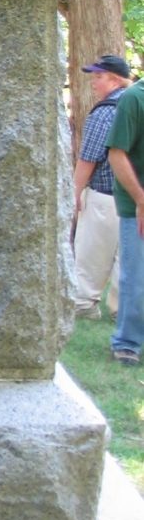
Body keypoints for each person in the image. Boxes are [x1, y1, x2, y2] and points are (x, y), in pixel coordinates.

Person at [72, 54, 133, 320]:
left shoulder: (106, 111)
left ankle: (84, 304)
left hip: (106, 197)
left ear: (116, 80)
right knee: (128, 259)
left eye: (99, 76)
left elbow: (89, 158)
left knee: (90, 255)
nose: (93, 82)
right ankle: (123, 311)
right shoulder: (138, 106)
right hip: (136, 197)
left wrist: (74, 193)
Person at [106, 63, 144, 367]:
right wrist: (141, 200)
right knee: (137, 279)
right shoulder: (134, 98)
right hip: (139, 207)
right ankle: (128, 342)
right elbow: (117, 153)